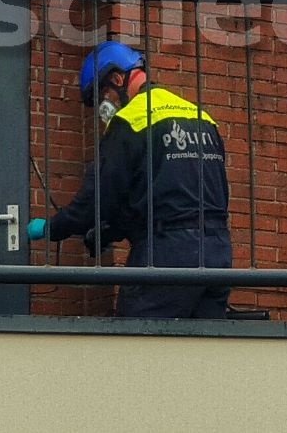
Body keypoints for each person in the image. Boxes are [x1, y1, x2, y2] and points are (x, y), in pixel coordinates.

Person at [27, 41, 232, 318]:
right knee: (202, 350)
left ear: (117, 79)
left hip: (167, 255)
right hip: (218, 252)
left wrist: (52, 228)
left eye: (102, 95)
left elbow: (97, 199)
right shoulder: (200, 117)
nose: (104, 105)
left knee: (136, 344)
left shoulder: (131, 120)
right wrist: (112, 230)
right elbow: (170, 195)